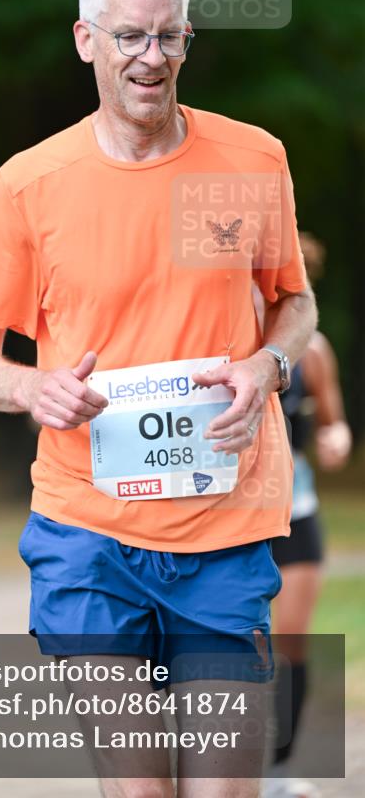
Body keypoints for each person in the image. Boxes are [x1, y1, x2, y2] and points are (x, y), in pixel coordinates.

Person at [0, 0, 317, 798]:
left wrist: (268, 364)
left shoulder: (251, 160)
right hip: (86, 529)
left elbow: (294, 304)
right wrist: (27, 387)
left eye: (167, 37)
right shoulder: (29, 184)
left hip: (224, 524)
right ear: (85, 41)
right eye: (127, 37)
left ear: (187, 39)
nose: (150, 58)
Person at [263, 234, 351, 798]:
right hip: (229, 521)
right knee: (230, 646)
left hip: (297, 511)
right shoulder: (218, 339)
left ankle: (277, 771)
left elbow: (333, 422)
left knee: (289, 641)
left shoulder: (312, 349)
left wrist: (336, 439)